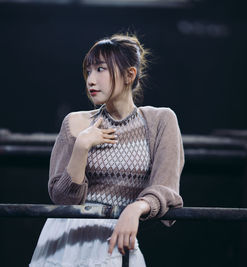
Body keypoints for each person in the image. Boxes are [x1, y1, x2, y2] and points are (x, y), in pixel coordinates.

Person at [29, 33, 184, 267]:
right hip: (64, 241)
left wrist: (136, 208)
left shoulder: (160, 120)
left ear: (129, 75)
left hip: (116, 238)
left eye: (100, 69)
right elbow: (62, 199)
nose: (91, 80)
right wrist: (81, 147)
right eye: (88, 71)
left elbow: (166, 188)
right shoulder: (76, 122)